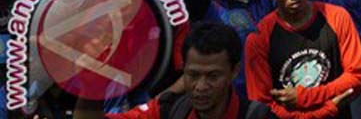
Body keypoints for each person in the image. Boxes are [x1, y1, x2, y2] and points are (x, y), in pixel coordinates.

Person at [244, 0, 361, 118]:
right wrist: (326, 110)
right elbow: (262, 105)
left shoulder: (337, 17)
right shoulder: (259, 37)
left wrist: (305, 97)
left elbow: (358, 76)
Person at [75, 22, 275, 119]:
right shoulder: (167, 111)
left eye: (213, 76)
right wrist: (92, 86)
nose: (201, 87)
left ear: (234, 71)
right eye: (193, 75)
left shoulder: (259, 117)